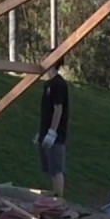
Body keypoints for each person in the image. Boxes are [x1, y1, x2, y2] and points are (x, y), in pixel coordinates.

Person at [37, 56, 70, 197]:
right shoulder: (48, 84)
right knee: (50, 169)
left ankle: (59, 198)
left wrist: (52, 132)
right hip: (46, 131)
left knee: (56, 169)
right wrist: (42, 132)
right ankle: (55, 196)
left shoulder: (58, 84)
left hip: (56, 135)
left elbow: (58, 109)